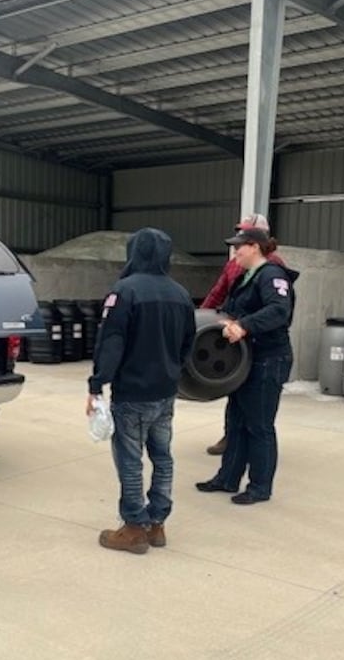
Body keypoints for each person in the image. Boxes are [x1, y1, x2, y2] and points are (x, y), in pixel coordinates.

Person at [87, 228, 196, 554]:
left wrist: (96, 385)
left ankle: (134, 526)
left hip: (132, 393)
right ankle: (158, 522)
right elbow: (188, 343)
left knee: (130, 460)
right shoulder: (181, 294)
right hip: (165, 393)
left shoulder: (124, 291)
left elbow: (111, 342)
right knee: (163, 457)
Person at [196, 226, 298, 505]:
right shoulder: (245, 277)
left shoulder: (273, 276)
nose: (235, 252)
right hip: (246, 360)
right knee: (237, 422)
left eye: (239, 246)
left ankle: (260, 487)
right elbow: (229, 308)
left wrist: (244, 325)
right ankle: (227, 478)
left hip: (269, 359)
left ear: (254, 246)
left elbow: (279, 311)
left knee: (259, 425)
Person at [200, 213, 287, 456]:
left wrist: (245, 324)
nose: (237, 245)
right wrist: (200, 318)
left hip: (258, 343)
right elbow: (219, 293)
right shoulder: (235, 265)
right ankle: (231, 440)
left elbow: (277, 309)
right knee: (236, 399)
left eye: (243, 237)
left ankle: (256, 462)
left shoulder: (273, 269)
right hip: (237, 342)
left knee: (258, 413)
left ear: (257, 241)